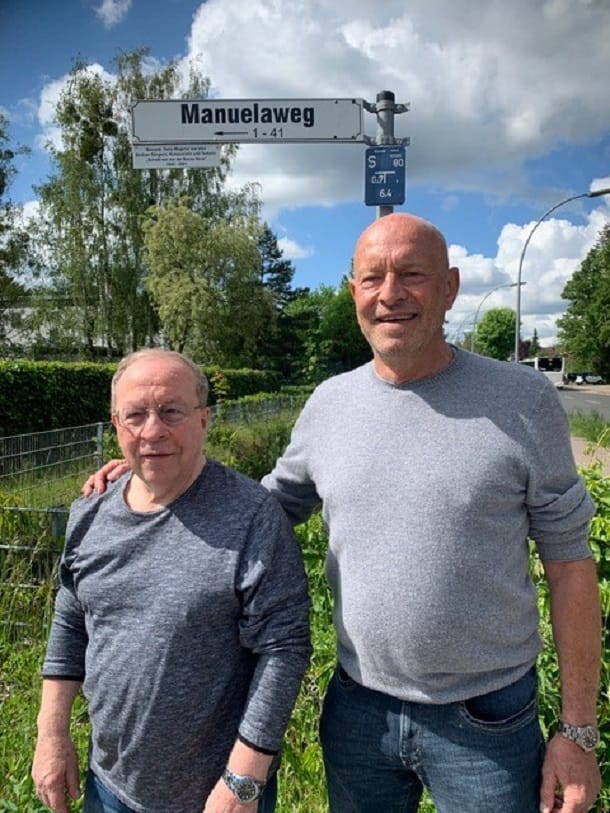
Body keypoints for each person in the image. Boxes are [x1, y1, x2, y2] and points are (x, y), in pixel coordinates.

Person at [84, 214, 603, 813]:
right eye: (372, 278)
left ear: (451, 287)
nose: (390, 295)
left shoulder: (523, 400)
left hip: (488, 717)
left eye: (412, 275)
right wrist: (156, 473)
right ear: (353, 291)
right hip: (359, 712)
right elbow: (262, 509)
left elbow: (569, 566)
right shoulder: (330, 404)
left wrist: (578, 730)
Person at [32, 349, 311, 813]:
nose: (152, 430)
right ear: (116, 424)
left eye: (171, 412)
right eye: (135, 415)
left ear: (203, 419)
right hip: (109, 787)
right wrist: (51, 734)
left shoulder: (251, 517)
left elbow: (283, 649)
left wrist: (243, 779)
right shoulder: (89, 513)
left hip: (217, 794)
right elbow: (71, 621)